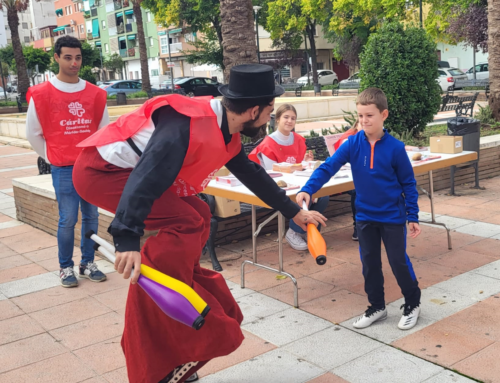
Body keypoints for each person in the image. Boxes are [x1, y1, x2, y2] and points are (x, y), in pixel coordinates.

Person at [72, 64, 326, 383]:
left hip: (129, 176)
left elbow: (252, 174)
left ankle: (181, 290)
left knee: (200, 213)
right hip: (101, 173)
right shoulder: (185, 125)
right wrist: (127, 241)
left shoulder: (225, 128)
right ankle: (167, 303)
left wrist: (293, 211)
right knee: (188, 220)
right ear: (253, 110)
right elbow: (146, 178)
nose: (270, 118)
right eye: (270, 111)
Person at [296, 88, 422, 331]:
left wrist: (413, 215)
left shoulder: (395, 148)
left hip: (392, 217)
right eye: (360, 116)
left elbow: (409, 184)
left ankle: (412, 303)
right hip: (364, 216)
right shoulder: (352, 143)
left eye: (369, 115)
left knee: (398, 261)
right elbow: (328, 167)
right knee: (369, 263)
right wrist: (308, 189)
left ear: (384, 114)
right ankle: (377, 306)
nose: (364, 121)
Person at [26, 36, 109, 288]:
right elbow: (33, 133)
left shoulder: (95, 94)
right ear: (57, 58)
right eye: (68, 57)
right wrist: (52, 158)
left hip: (92, 167)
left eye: (78, 57)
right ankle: (65, 267)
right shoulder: (41, 94)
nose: (74, 63)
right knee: (67, 219)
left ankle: (87, 262)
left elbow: (104, 131)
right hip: (63, 168)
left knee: (92, 216)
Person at [249, 103, 329, 251]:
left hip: (297, 182)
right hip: (276, 186)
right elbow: (272, 173)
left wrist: (306, 162)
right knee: (304, 196)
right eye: (286, 117)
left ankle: (306, 230)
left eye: (293, 118)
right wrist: (298, 168)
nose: (289, 121)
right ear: (278, 119)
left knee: (323, 195)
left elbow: (299, 166)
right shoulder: (268, 143)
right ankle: (294, 232)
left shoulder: (298, 140)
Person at [333, 120, 361, 241]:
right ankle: (358, 227)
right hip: (344, 178)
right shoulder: (349, 140)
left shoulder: (374, 136)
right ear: (357, 123)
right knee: (357, 189)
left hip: (359, 176)